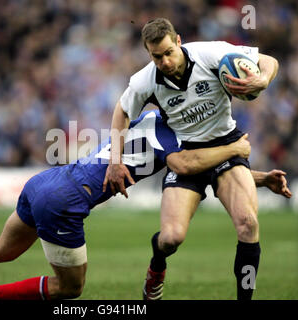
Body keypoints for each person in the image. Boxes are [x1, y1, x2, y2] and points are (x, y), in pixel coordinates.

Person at [0, 110, 289, 300]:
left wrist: (256, 178)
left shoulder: (146, 113)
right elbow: (189, 167)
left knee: (1, 249)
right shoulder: (182, 138)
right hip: (66, 201)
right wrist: (237, 149)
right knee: (71, 289)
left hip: (46, 180)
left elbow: (202, 169)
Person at [102, 18, 283, 300]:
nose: (164, 62)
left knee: (248, 224)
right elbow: (121, 111)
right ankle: (156, 265)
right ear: (148, 53)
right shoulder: (145, 80)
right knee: (171, 238)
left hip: (226, 144)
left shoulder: (212, 54)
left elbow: (269, 61)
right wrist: (116, 161)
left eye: (168, 53)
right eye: (156, 56)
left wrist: (262, 78)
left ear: (178, 41)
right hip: (187, 154)